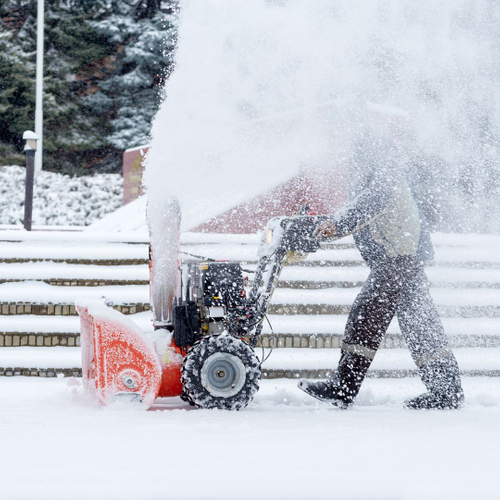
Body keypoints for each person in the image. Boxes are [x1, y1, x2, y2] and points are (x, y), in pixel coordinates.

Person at [297, 135, 464, 410]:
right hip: (404, 260)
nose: (353, 165)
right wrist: (326, 223)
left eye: (357, 159)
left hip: (397, 261)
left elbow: (364, 208)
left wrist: (334, 226)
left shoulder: (386, 178)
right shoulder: (388, 176)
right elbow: (362, 206)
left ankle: (343, 388)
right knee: (421, 326)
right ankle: (447, 390)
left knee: (365, 318)